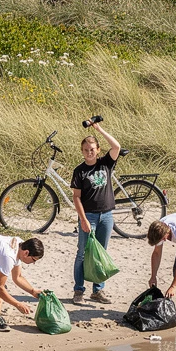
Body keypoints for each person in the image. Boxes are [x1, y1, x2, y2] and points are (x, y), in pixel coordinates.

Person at [70, 121, 123, 304]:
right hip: (89, 216)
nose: (89, 152)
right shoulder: (79, 171)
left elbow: (116, 146)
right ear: (82, 151)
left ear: (98, 150)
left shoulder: (106, 164)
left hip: (106, 216)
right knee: (82, 254)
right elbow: (76, 197)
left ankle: (98, 290)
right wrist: (83, 219)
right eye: (85, 150)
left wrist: (99, 129)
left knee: (101, 252)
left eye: (92, 149)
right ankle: (78, 291)